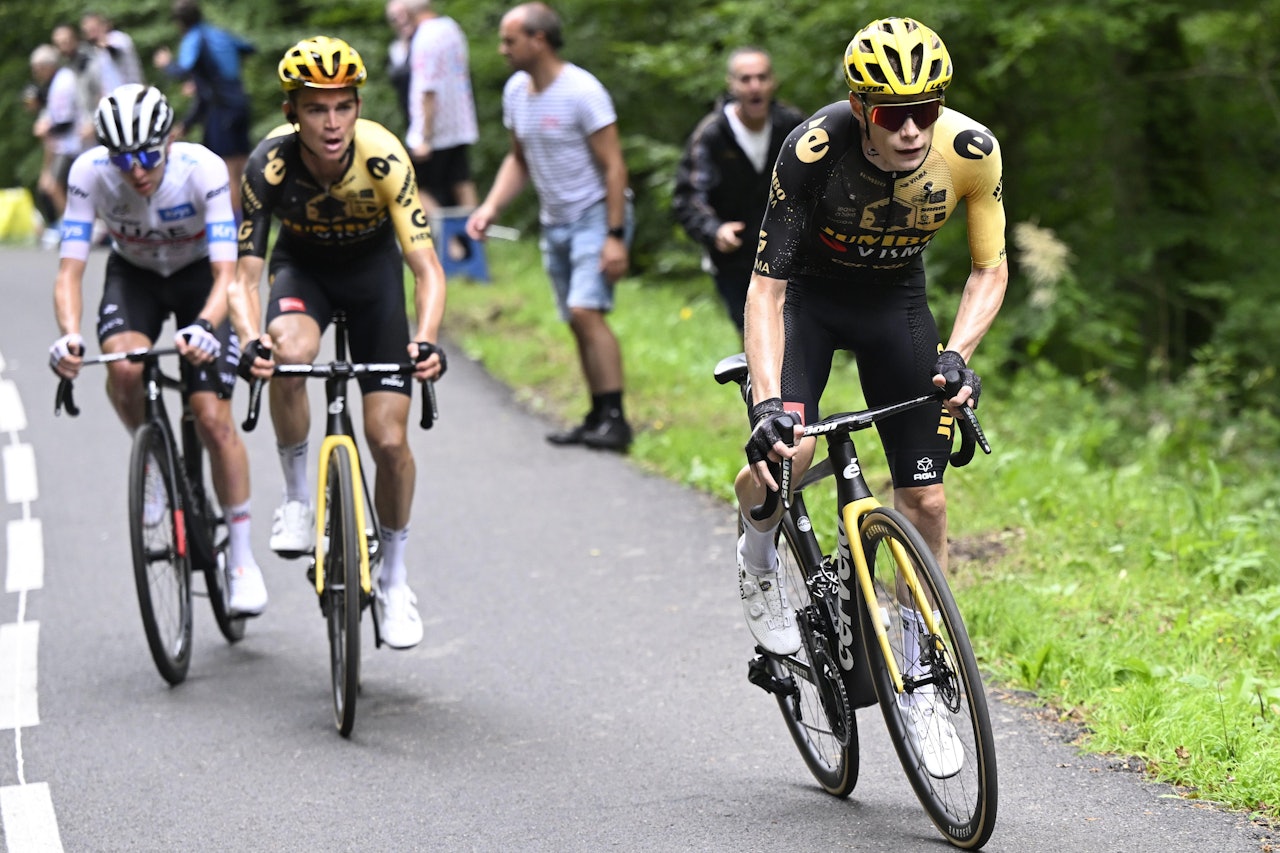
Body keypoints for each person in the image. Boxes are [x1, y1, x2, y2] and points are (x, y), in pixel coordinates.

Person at [731, 18, 1007, 776]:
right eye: (894, 112)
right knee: (794, 448)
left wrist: (959, 355)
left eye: (928, 107)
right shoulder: (813, 149)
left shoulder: (970, 151)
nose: (915, 128)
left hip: (897, 305)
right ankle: (757, 555)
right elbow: (766, 286)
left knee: (928, 502)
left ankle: (918, 678)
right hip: (811, 304)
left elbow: (989, 269)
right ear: (861, 107)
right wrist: (768, 404)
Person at [227, 36, 449, 650]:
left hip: (373, 276)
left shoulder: (383, 157)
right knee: (289, 352)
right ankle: (298, 498)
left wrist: (426, 339)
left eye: (343, 106)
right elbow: (244, 278)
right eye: (316, 108)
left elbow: (426, 269)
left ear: (357, 107)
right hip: (303, 271)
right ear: (292, 111)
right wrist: (250, 341)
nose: (331, 123)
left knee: (389, 439)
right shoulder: (268, 165)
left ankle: (395, 577)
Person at [47, 84, 267, 616]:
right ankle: (152, 468)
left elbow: (227, 272)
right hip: (136, 275)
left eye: (148, 155)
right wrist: (70, 335)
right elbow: (70, 271)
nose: (137, 170)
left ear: (169, 140)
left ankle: (240, 556)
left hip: (201, 279)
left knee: (211, 416)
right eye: (123, 159)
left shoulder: (204, 169)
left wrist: (207, 327)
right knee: (123, 367)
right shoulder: (88, 174)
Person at [466, 2, 633, 452]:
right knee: (575, 320)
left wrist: (615, 237)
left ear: (538, 40)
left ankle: (617, 420)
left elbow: (615, 167)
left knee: (585, 311)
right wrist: (490, 208)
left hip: (596, 213)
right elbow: (518, 159)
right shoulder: (517, 92)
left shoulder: (583, 91)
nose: (503, 49)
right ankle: (597, 413)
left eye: (509, 40)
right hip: (553, 221)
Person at [672, 47, 805, 335]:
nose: (754, 86)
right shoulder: (712, 133)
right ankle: (756, 381)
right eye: (745, 79)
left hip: (788, 252)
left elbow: (821, 182)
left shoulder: (793, 126)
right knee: (754, 333)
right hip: (734, 257)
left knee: (790, 332)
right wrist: (714, 230)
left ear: (773, 82)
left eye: (761, 77)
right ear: (731, 84)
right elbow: (689, 195)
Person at [153, 0, 255, 216]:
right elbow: (248, 48)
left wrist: (166, 64)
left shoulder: (194, 38)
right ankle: (254, 223)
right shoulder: (218, 33)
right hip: (240, 103)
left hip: (221, 109)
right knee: (243, 168)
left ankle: (237, 230)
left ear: (180, 23)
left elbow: (182, 69)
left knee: (227, 173)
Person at [404, 0, 480, 213]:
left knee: (411, 184)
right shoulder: (451, 28)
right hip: (459, 125)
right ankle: (474, 240)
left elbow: (428, 90)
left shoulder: (424, 37)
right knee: (462, 181)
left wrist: (425, 137)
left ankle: (451, 244)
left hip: (435, 131)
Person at [29, 44, 88, 249]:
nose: (36, 74)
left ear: (47, 66)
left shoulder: (63, 82)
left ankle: (70, 228)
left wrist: (46, 129)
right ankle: (66, 226)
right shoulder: (57, 81)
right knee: (57, 186)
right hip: (62, 144)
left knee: (54, 185)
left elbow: (66, 121)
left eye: (37, 69)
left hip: (70, 144)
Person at [80, 12, 145, 92]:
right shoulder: (94, 53)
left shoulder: (118, 38)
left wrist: (107, 46)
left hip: (132, 93)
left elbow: (117, 51)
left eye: (93, 28)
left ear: (103, 25)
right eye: (88, 30)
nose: (91, 32)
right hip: (112, 99)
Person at [384, 0, 415, 131]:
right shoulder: (395, 49)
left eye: (403, 14)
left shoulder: (427, 42)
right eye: (394, 18)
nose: (400, 20)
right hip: (409, 115)